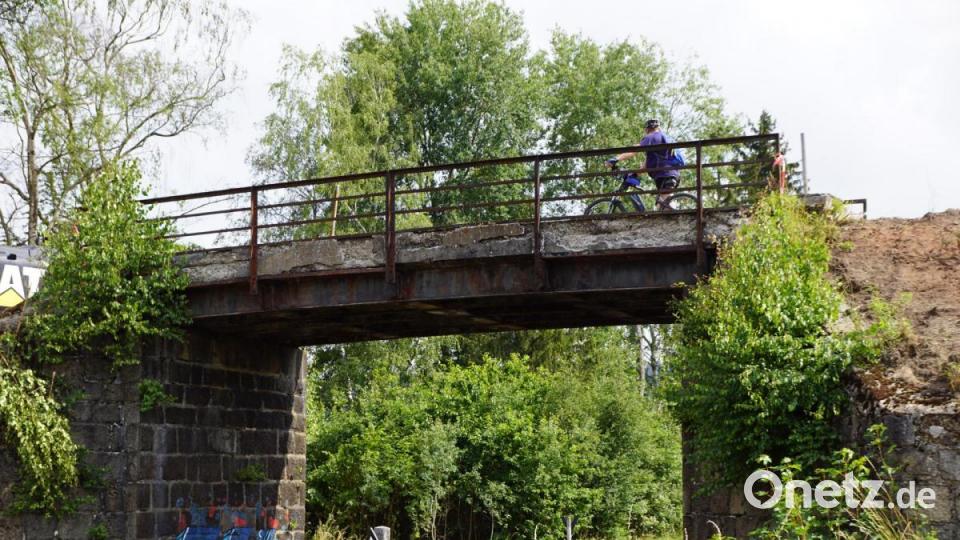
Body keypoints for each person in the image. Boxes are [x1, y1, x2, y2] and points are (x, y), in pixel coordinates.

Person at [605, 119, 680, 207]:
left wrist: (614, 159)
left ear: (646, 129)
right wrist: (635, 173)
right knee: (661, 206)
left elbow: (634, 150)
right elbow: (647, 164)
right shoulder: (662, 140)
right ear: (659, 127)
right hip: (669, 174)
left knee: (667, 205)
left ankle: (680, 218)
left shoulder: (652, 137)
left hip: (665, 175)